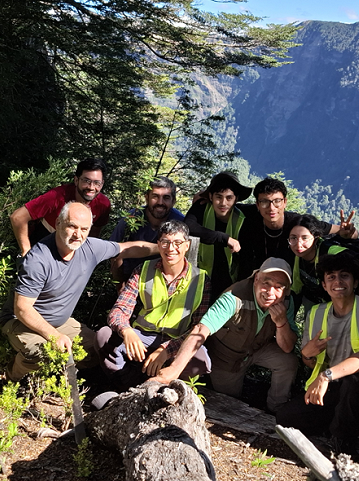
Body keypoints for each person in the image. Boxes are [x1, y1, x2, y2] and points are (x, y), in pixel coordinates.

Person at [0, 202, 158, 382]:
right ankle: (11, 377)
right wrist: (54, 336)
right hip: (22, 322)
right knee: (44, 353)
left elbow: (127, 248)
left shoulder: (90, 248)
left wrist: (163, 248)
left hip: (60, 322)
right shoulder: (39, 259)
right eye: (72, 226)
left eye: (84, 229)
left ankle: (59, 379)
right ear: (58, 223)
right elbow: (22, 308)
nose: (78, 234)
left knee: (98, 349)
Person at [276, 252, 359, 457]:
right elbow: (310, 362)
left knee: (354, 382)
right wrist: (307, 355)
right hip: (333, 388)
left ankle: (343, 446)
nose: (338, 281)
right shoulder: (316, 313)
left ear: (355, 283)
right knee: (286, 417)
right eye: (331, 277)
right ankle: (338, 423)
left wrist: (326, 375)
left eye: (344, 276)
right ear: (324, 285)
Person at [152, 257, 299, 412]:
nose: (270, 292)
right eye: (266, 283)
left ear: (286, 290)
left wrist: (281, 323)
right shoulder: (233, 298)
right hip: (227, 358)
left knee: (288, 362)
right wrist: (174, 370)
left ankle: (276, 409)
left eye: (278, 287)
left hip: (257, 349)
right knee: (231, 404)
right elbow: (201, 330)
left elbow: (287, 347)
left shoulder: (286, 302)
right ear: (256, 279)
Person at [96, 220, 212, 391]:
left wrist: (167, 349)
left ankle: (169, 388)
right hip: (142, 335)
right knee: (104, 336)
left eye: (177, 243)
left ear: (186, 245)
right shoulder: (143, 270)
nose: (171, 248)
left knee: (200, 361)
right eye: (165, 242)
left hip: (177, 339)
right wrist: (126, 331)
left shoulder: (201, 279)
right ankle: (129, 386)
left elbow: (198, 328)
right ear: (158, 244)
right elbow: (119, 310)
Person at [235, 178, 358, 280]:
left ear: (285, 202)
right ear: (257, 205)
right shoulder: (249, 217)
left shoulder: (299, 223)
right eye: (264, 202)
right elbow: (226, 206)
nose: (271, 207)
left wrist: (349, 234)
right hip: (258, 281)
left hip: (292, 284)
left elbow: (343, 231)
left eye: (277, 201)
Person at [10, 158, 112, 256]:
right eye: (86, 181)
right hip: (43, 242)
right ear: (76, 180)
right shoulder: (57, 196)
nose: (91, 187)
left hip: (73, 250)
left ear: (102, 184)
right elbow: (18, 217)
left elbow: (94, 234)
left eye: (97, 183)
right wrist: (26, 251)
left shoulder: (103, 204)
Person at [184, 171, 252, 299]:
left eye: (229, 198)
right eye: (218, 197)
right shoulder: (202, 207)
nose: (223, 203)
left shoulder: (243, 218)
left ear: (236, 199)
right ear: (210, 197)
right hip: (202, 279)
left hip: (231, 283)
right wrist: (224, 238)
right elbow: (188, 226)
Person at [109, 176, 184, 283]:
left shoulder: (180, 223)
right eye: (155, 197)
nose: (160, 202)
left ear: (173, 201)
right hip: (130, 279)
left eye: (166, 198)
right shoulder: (130, 219)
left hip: (164, 281)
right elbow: (114, 252)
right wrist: (120, 285)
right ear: (146, 198)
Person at [288, 214, 359, 311]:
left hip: (351, 304)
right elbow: (296, 287)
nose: (298, 244)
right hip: (321, 304)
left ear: (316, 238)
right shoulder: (299, 257)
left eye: (305, 238)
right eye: (293, 238)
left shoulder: (331, 252)